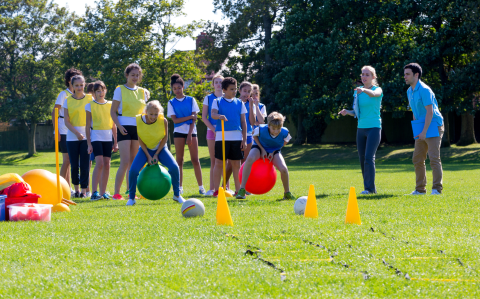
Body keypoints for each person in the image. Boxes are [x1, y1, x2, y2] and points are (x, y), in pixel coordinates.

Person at [127, 101, 183, 206]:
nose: (153, 116)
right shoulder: (139, 121)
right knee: (133, 170)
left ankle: (177, 195)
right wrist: (148, 156)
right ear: (146, 112)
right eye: (151, 114)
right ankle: (131, 198)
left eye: (156, 114)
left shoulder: (164, 121)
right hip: (145, 150)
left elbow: (165, 138)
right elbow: (140, 140)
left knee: (175, 167)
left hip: (161, 149)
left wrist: (156, 154)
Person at [338, 66, 383, 194]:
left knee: (369, 157)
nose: (364, 77)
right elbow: (357, 112)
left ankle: (370, 189)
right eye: (362, 74)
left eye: (367, 75)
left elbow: (374, 94)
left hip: (374, 127)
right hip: (361, 128)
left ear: (373, 77)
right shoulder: (357, 92)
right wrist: (348, 112)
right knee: (362, 158)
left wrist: (363, 90)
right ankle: (368, 188)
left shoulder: (377, 89)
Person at [404, 63, 444, 195]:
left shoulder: (425, 90)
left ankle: (436, 189)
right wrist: (418, 130)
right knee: (417, 158)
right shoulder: (409, 91)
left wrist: (424, 132)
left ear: (416, 75)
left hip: (433, 124)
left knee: (434, 157)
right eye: (404, 74)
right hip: (422, 126)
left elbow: (430, 112)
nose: (405, 76)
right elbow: (415, 112)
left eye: (407, 74)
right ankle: (420, 189)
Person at [110, 63, 149, 200]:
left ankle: (129, 192)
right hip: (124, 128)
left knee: (133, 163)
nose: (135, 77)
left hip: (138, 130)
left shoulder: (143, 92)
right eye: (132, 74)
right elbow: (112, 111)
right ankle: (116, 193)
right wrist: (119, 126)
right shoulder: (119, 90)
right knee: (125, 161)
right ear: (127, 75)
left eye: (137, 75)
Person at [236, 112, 295, 200]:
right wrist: (262, 150)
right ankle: (242, 189)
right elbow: (254, 135)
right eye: (273, 128)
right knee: (250, 159)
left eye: (278, 128)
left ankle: (287, 193)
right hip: (259, 148)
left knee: (284, 169)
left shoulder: (285, 132)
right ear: (268, 126)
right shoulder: (261, 129)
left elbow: (286, 141)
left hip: (274, 150)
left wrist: (274, 150)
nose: (276, 131)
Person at [167, 74, 205, 195]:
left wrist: (189, 134)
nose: (177, 90)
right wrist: (189, 117)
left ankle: (201, 187)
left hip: (191, 132)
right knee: (179, 161)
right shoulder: (171, 102)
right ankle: (179, 187)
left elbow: (195, 119)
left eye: (179, 87)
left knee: (195, 160)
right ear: (172, 90)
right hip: (178, 132)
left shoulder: (191, 100)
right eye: (174, 89)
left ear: (183, 87)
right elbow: (175, 121)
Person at [211, 77, 247, 196]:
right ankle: (217, 191)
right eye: (231, 89)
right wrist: (219, 116)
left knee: (237, 164)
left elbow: (243, 122)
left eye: (235, 89)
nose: (234, 91)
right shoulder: (217, 101)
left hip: (237, 138)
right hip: (221, 138)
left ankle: (238, 191)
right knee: (219, 163)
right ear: (224, 89)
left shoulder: (240, 103)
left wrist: (244, 139)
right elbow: (213, 114)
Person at [52, 68, 82, 196]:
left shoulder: (81, 95)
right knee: (67, 160)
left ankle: (68, 189)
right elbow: (55, 111)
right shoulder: (64, 94)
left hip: (74, 130)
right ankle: (57, 187)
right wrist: (56, 131)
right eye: (75, 77)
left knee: (70, 161)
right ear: (69, 80)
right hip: (63, 130)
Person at [85, 81, 118, 200]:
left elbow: (114, 125)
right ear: (94, 93)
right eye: (98, 91)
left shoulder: (110, 105)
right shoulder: (89, 105)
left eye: (102, 90)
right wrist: (89, 144)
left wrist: (115, 142)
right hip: (96, 137)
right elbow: (87, 126)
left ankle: (103, 192)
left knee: (107, 165)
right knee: (99, 163)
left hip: (108, 137)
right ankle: (94, 193)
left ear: (105, 91)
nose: (100, 93)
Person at [63, 75, 92, 198]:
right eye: (76, 85)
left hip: (87, 137)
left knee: (85, 165)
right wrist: (76, 133)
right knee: (74, 165)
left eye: (81, 85)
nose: (79, 87)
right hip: (72, 137)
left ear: (84, 85)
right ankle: (76, 191)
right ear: (72, 86)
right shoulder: (67, 100)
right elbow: (66, 121)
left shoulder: (91, 98)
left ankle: (85, 191)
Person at [224, 81, 256, 194]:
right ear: (239, 91)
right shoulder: (234, 102)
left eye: (249, 92)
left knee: (244, 163)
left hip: (248, 136)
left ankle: (243, 188)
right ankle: (223, 186)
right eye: (244, 91)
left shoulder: (251, 104)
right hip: (235, 135)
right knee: (231, 164)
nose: (246, 93)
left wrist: (252, 106)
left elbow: (252, 122)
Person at [202, 75, 224, 196]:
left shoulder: (228, 98)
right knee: (214, 161)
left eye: (221, 82)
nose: (218, 84)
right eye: (216, 82)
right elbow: (204, 117)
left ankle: (225, 188)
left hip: (226, 132)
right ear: (213, 84)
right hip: (212, 131)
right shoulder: (208, 98)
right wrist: (213, 129)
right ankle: (211, 189)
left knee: (225, 161)